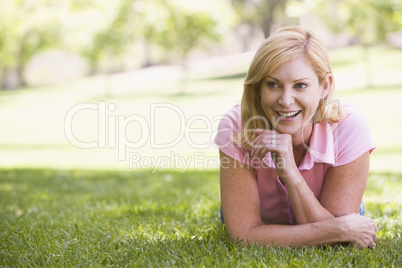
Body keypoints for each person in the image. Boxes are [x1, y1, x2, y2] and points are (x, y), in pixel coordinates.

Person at [214, 26, 377, 248]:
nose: (286, 100)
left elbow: (338, 245)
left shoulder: (350, 127)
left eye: (300, 85)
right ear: (259, 87)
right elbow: (244, 236)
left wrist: (291, 173)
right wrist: (339, 229)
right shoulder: (236, 126)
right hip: (269, 217)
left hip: (318, 212)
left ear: (324, 86)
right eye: (273, 84)